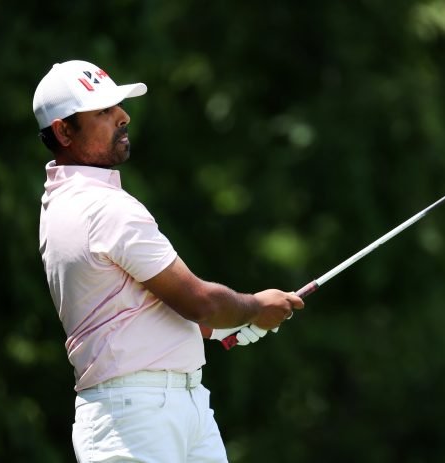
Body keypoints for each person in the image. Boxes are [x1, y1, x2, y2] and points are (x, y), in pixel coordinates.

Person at [33, 60, 304, 462]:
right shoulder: (101, 207)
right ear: (63, 130)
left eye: (118, 107)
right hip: (133, 416)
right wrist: (256, 307)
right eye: (104, 112)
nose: (122, 116)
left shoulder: (68, 200)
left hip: (176, 405)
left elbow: (135, 308)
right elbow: (200, 302)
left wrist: (225, 326)